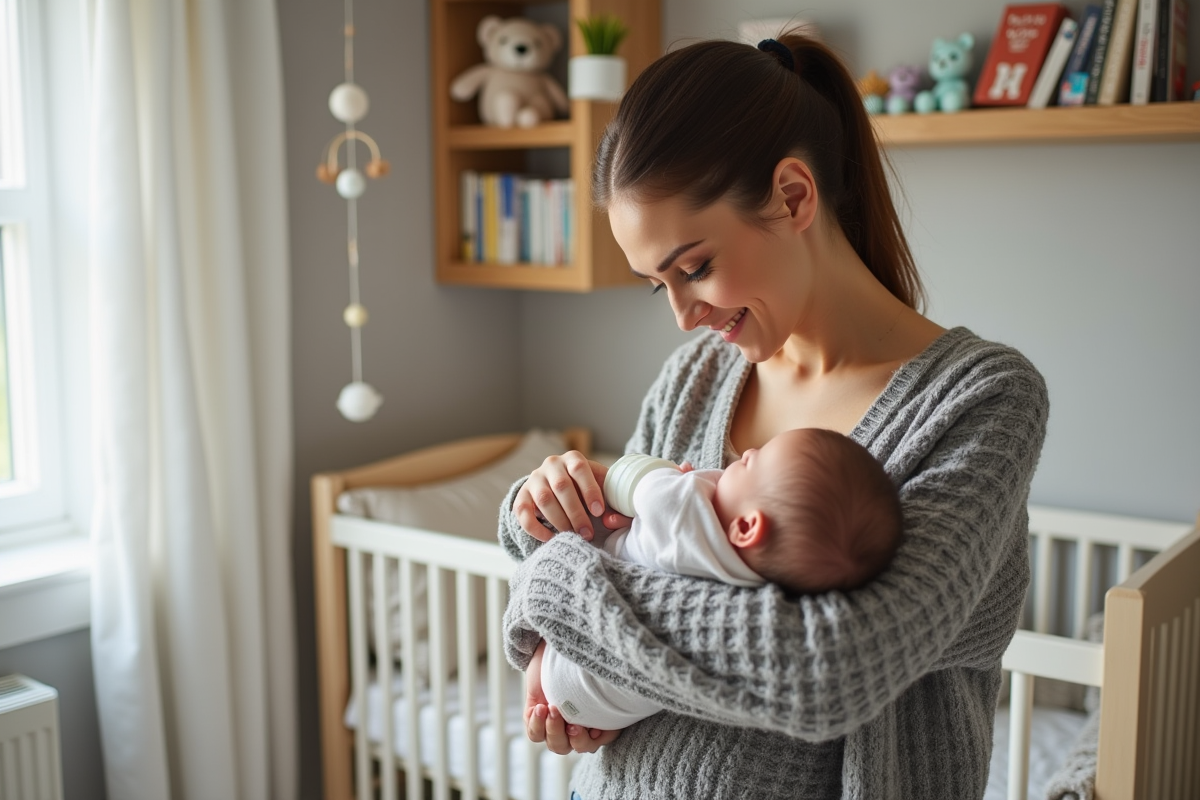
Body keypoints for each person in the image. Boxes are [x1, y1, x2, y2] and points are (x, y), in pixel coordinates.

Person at [498, 31, 1049, 800]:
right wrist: (541, 508)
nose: (684, 316)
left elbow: (828, 676)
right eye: (659, 284)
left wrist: (557, 586)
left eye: (696, 267)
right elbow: (605, 549)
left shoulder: (979, 401)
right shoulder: (694, 379)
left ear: (793, 196)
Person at [532, 426, 903, 731]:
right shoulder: (759, 585)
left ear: (747, 527)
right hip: (608, 713)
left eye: (752, 464)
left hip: (570, 662)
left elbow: (633, 479)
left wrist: (665, 474)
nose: (747, 453)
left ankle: (536, 662)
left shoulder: (685, 507)